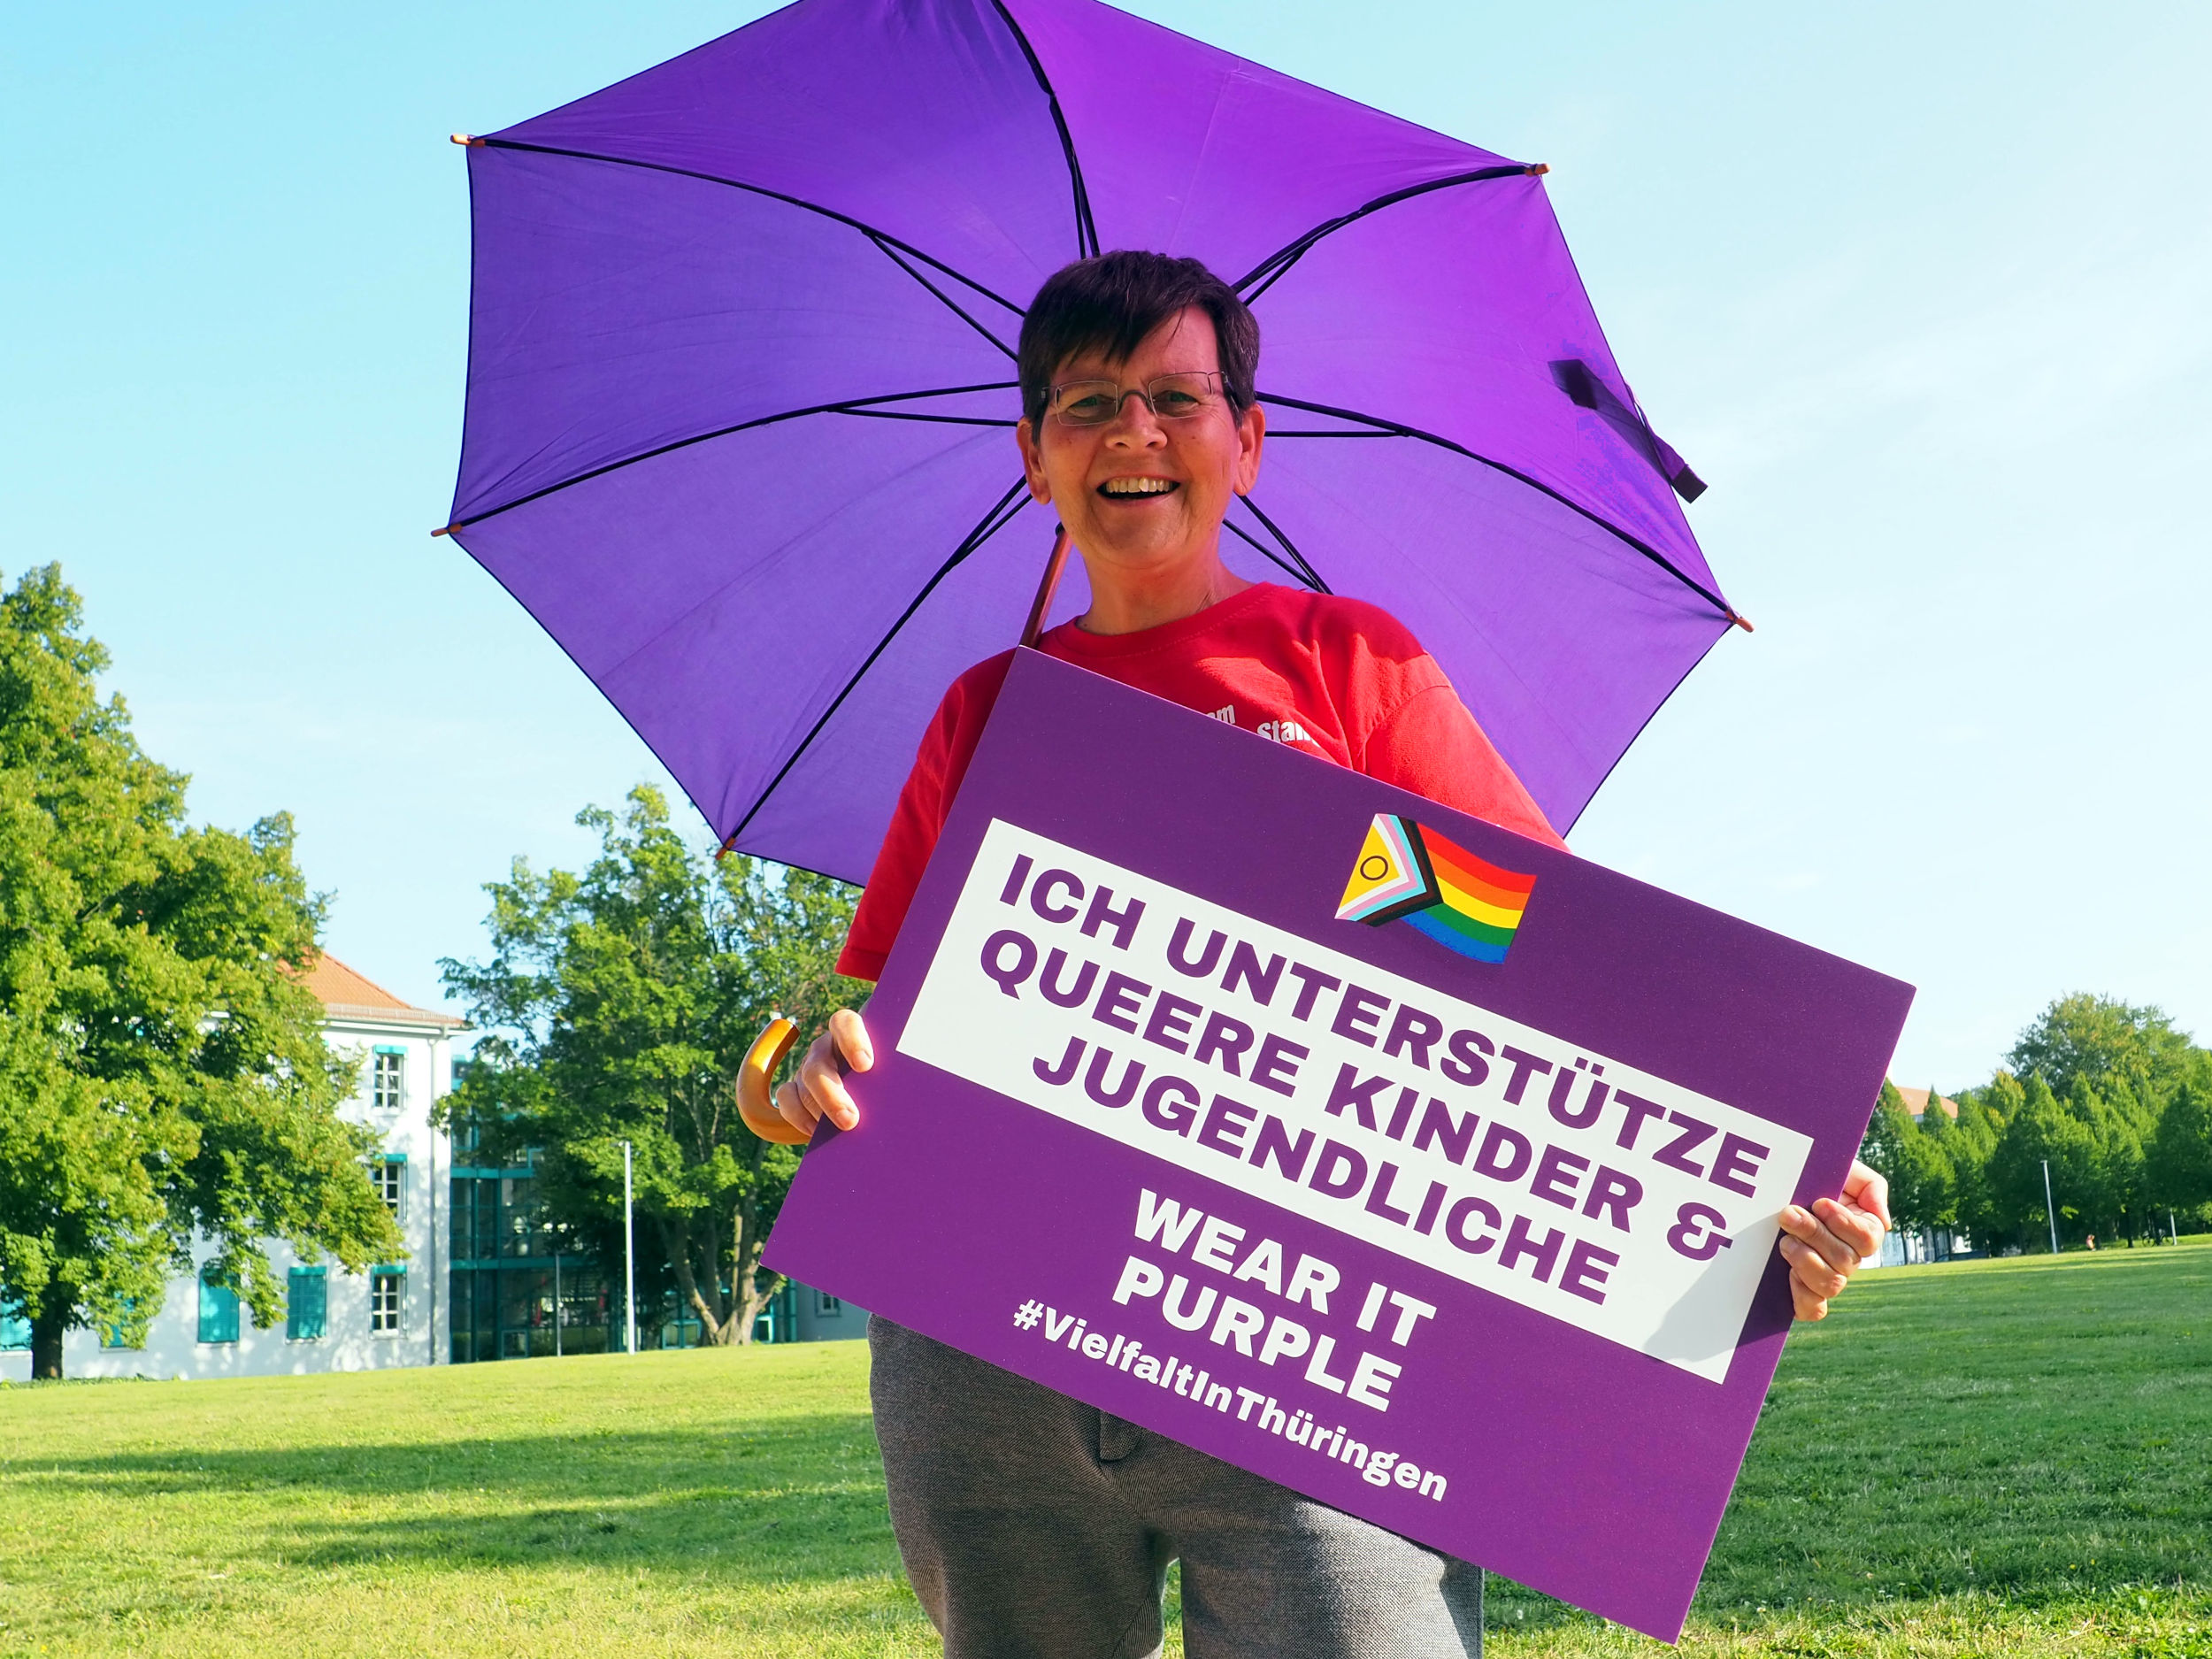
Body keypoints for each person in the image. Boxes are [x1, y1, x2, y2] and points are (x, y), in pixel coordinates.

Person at [767, 251, 1892, 1659]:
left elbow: (1544, 962)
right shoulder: (984, 710)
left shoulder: (1350, 664)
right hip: (990, 1348)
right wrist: (791, 1082)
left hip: (1305, 1340)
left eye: (1177, 397)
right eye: (1088, 403)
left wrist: (1768, 1178)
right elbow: (883, 1030)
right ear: (1032, 455)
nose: (1133, 431)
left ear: (1246, 440)